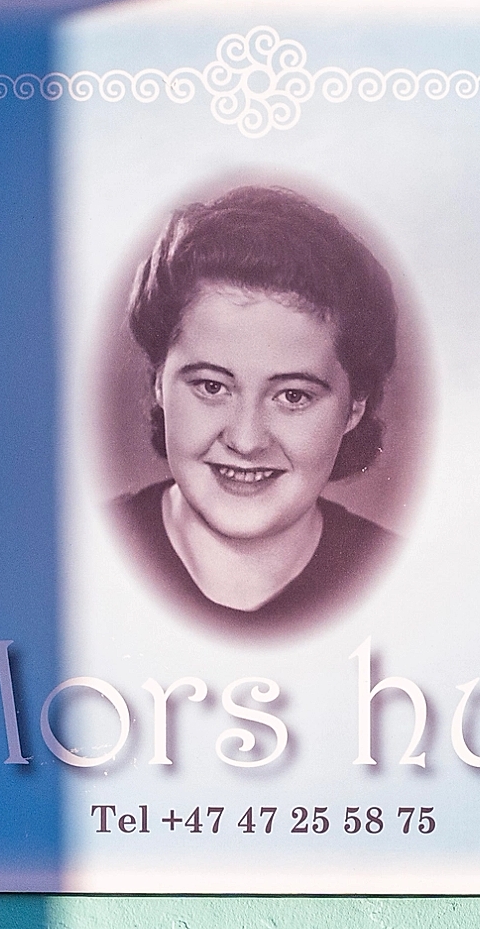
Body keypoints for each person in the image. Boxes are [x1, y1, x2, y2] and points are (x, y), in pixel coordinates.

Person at [112, 184, 402, 631]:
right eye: (211, 386)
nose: (245, 441)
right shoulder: (83, 555)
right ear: (158, 384)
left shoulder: (404, 582)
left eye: (293, 396)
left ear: (354, 408)